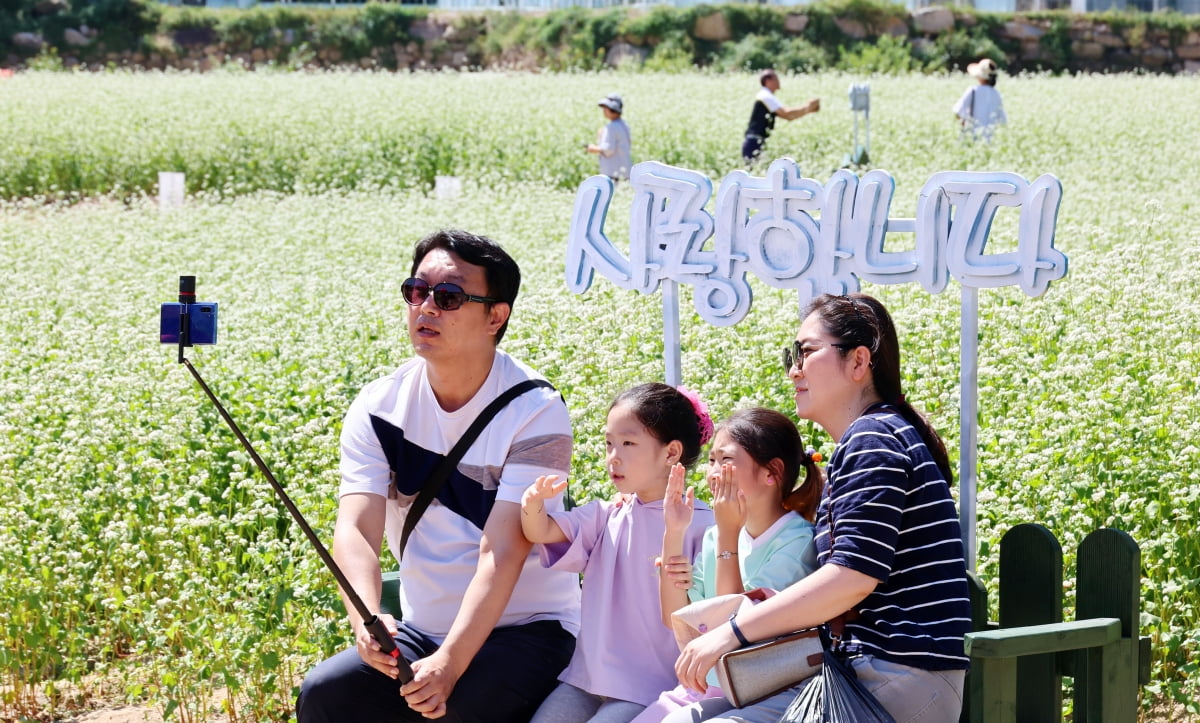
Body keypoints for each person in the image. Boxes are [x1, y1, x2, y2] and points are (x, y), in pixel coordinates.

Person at [296, 229, 582, 722]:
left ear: (496, 316)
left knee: (450, 711)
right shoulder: (379, 405)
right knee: (325, 694)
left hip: (529, 631)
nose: (426, 308)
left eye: (448, 297)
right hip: (422, 631)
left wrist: (448, 665)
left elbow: (504, 550)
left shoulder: (535, 410)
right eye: (416, 291)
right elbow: (356, 529)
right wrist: (368, 620)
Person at [669, 293, 972, 723]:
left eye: (805, 352)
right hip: (865, 674)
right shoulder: (875, 436)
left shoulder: (875, 439)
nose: (794, 370)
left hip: (896, 676)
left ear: (858, 361)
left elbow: (851, 578)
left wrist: (730, 634)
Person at [520, 383, 716, 723]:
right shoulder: (608, 513)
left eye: (628, 443)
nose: (614, 456)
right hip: (585, 681)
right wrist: (532, 505)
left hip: (652, 688)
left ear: (671, 453)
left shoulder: (704, 526)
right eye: (609, 443)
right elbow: (541, 531)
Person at [632, 407, 821, 723]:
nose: (714, 472)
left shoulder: (797, 541)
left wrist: (729, 535)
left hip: (764, 690)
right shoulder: (715, 536)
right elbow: (674, 618)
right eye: (711, 461)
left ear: (771, 472)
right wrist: (674, 531)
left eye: (727, 461)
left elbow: (733, 635)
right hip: (709, 687)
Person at [742, 69, 820, 166]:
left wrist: (808, 110)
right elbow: (787, 114)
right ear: (768, 81)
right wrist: (807, 108)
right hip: (754, 142)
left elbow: (788, 116)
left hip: (757, 141)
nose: (778, 81)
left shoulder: (766, 96)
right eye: (776, 79)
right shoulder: (765, 96)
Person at [953, 58, 1007, 141]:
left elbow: (958, 111)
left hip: (973, 138)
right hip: (991, 140)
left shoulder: (973, 90)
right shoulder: (997, 94)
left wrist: (964, 124)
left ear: (980, 76)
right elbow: (1002, 120)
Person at [586, 93, 632, 181]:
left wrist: (592, 148)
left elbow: (608, 150)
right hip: (625, 171)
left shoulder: (611, 127)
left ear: (612, 109)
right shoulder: (624, 125)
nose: (603, 110)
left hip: (613, 173)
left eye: (605, 108)